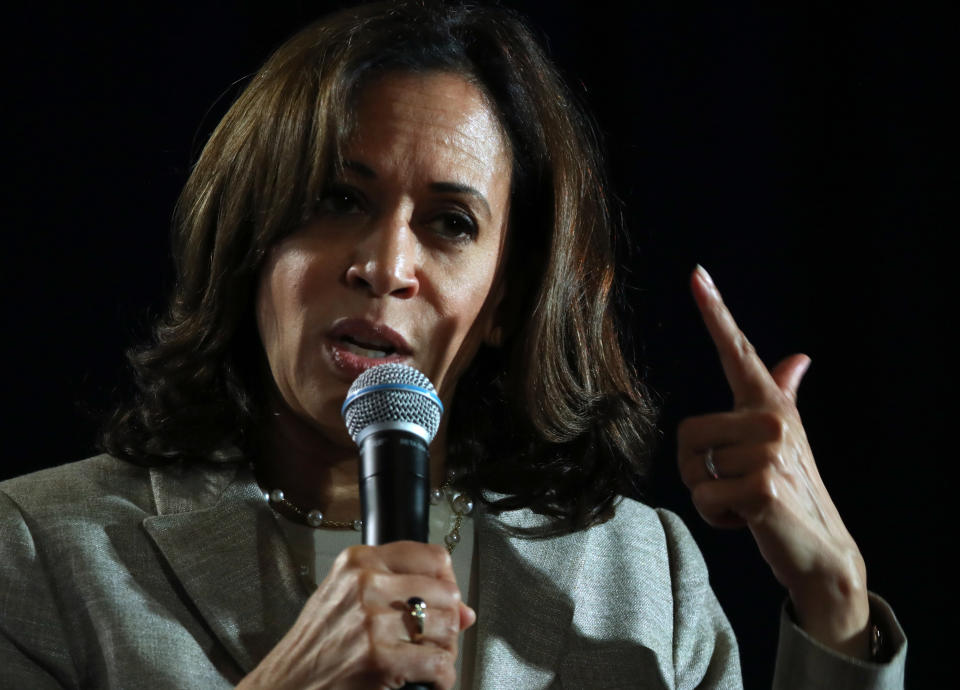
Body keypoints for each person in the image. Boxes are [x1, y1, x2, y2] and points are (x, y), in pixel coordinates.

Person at [0, 1, 905, 688]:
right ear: (253, 240)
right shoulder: (42, 549)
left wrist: (835, 604)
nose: (388, 264)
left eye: (449, 223)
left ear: (505, 300)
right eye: (339, 198)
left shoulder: (642, 573)